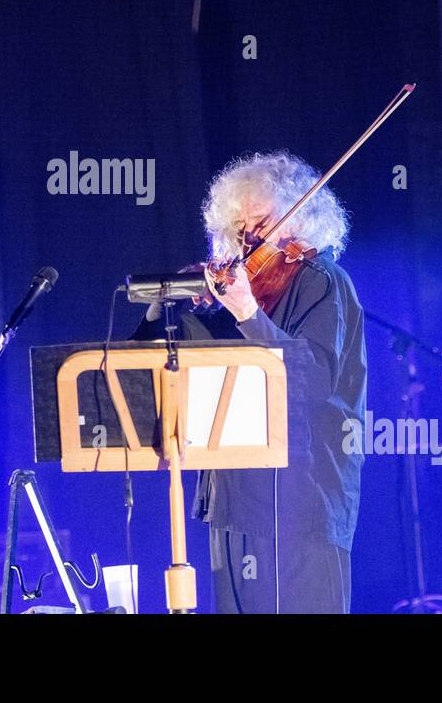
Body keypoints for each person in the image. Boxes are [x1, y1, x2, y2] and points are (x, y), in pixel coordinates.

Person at [133, 151, 366, 613]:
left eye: (261, 223)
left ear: (301, 220)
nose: (248, 238)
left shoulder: (322, 281)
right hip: (233, 503)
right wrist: (169, 303)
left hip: (300, 504)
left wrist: (248, 314)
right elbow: (151, 368)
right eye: (238, 226)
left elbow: (313, 381)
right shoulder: (236, 293)